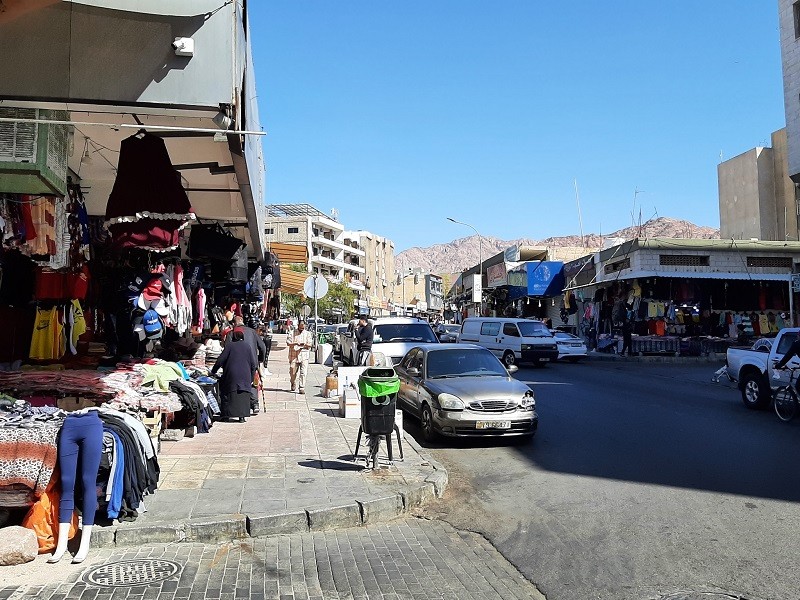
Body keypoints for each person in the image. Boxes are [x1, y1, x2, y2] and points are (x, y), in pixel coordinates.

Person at [211, 327, 257, 422]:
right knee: (243, 395)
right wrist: (251, 377)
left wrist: (213, 371)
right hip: (245, 376)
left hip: (231, 376)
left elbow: (220, 360)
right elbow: (253, 364)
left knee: (227, 392)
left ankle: (226, 416)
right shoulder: (247, 346)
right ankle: (242, 417)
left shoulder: (229, 346)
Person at [225, 316, 266, 414]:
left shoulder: (231, 333)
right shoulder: (252, 332)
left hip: (237, 363)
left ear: (234, 323)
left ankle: (241, 404)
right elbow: (263, 347)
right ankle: (255, 404)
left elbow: (227, 349)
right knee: (253, 382)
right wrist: (260, 359)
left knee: (238, 383)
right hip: (252, 362)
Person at [287, 320, 313, 393]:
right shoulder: (292, 333)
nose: (302, 328)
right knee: (292, 371)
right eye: (300, 327)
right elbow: (288, 343)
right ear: (298, 325)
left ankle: (301, 387)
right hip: (294, 355)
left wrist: (304, 344)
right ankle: (293, 382)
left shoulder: (308, 334)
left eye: (303, 327)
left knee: (303, 372)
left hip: (304, 356)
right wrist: (295, 343)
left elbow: (310, 345)